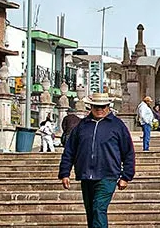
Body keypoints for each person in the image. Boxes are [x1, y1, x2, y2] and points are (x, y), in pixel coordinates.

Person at [58, 92, 135, 228]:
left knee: (98, 209)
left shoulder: (117, 126)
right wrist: (65, 172)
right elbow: (70, 150)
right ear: (91, 107)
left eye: (103, 106)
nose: (100, 109)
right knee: (91, 212)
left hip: (108, 175)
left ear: (108, 107)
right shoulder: (82, 126)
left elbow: (128, 152)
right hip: (86, 175)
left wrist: (126, 176)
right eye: (96, 107)